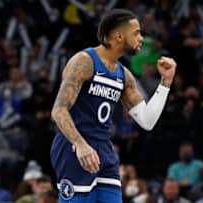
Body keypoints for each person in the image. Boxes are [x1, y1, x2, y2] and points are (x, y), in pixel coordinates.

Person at [50, 9, 176, 203]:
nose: (141, 38)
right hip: (75, 146)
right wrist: (80, 144)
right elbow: (58, 111)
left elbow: (147, 121)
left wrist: (165, 83)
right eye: (136, 32)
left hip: (104, 149)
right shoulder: (84, 61)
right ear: (119, 36)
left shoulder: (124, 75)